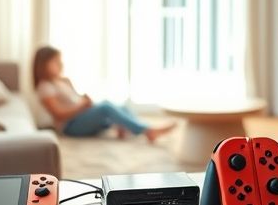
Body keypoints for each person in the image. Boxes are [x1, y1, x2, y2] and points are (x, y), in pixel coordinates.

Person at [33, 46, 176, 142]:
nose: (60, 64)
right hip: (70, 127)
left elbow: (75, 99)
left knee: (121, 107)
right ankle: (147, 131)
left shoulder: (63, 81)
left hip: (81, 116)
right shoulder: (45, 87)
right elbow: (58, 115)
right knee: (106, 107)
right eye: (55, 62)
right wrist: (82, 106)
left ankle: (126, 126)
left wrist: (84, 101)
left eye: (60, 61)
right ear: (43, 64)